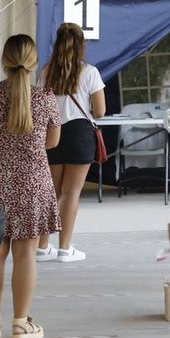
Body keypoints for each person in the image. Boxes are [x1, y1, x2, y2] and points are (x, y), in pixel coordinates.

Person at [0, 35, 61, 338]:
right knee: (26, 254)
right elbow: (52, 142)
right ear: (33, 62)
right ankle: (20, 324)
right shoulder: (45, 97)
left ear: (4, 60)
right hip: (33, 184)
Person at [37, 23, 105, 263]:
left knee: (51, 192)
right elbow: (101, 110)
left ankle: (43, 247)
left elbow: (39, 105)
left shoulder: (45, 72)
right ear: (82, 45)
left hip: (51, 134)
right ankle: (65, 248)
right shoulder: (90, 72)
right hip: (79, 134)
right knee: (71, 192)